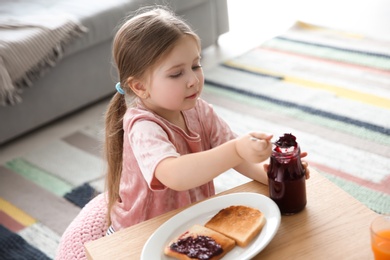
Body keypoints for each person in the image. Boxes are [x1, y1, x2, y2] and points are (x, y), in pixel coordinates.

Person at [104, 6, 309, 235]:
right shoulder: (142, 126)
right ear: (140, 87)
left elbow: (237, 157)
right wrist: (236, 149)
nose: (193, 80)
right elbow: (174, 175)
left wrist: (276, 175)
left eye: (195, 65)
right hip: (138, 233)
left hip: (187, 223)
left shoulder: (199, 110)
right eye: (176, 74)